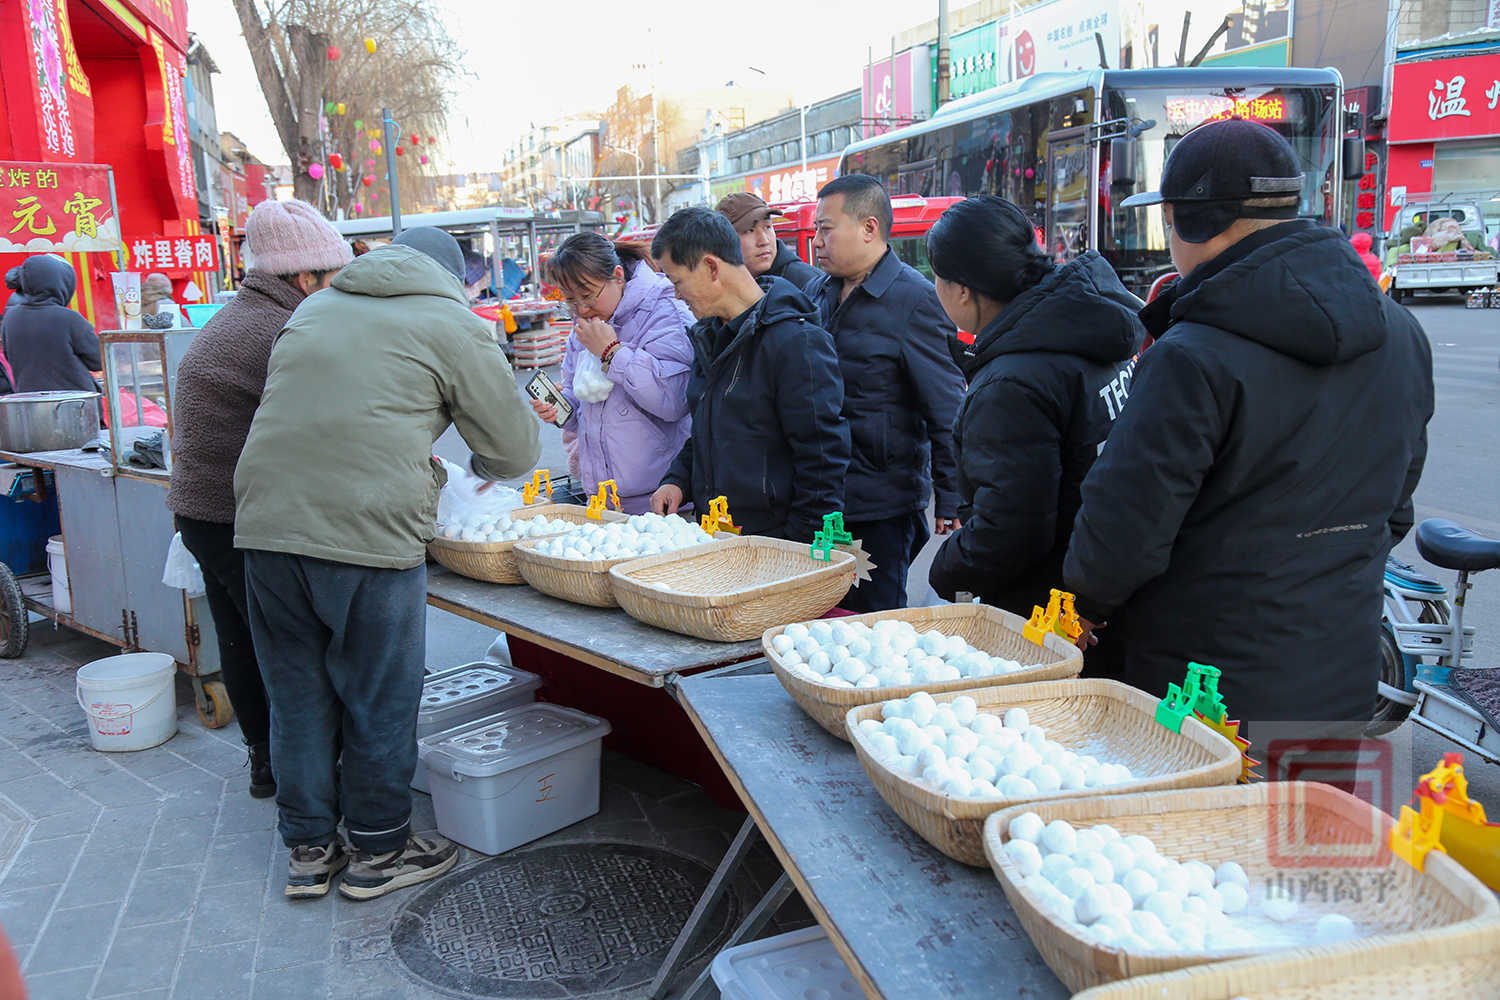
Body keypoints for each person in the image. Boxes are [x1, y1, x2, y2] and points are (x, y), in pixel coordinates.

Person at [1063, 119, 1435, 724]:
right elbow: (1394, 504)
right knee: (1306, 819)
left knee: (1200, 823)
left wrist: (1085, 607)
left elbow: (1121, 532)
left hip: (1203, 687)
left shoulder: (1190, 356)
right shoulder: (1401, 333)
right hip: (1340, 673)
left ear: (1190, 221)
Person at [234, 226, 540, 901]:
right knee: (379, 695)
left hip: (264, 526)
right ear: (456, 278)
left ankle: (310, 849)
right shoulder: (452, 322)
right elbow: (516, 451)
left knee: (296, 694)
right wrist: (478, 466)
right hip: (366, 531)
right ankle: (379, 850)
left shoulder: (313, 307)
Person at [167, 198, 352, 799]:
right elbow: (325, 424)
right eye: (333, 278)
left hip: (201, 511)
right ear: (305, 279)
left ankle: (265, 761)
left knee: (242, 639)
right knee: (287, 651)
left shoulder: (241, 313)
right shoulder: (283, 328)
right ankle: (313, 781)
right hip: (236, 515)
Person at [925, 196, 1142, 626]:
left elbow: (1011, 531)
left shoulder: (1012, 384)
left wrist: (946, 568)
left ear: (963, 290)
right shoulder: (1088, 327)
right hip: (1110, 583)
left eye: (938, 278)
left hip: (1052, 610)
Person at [804, 175, 965, 612]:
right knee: (823, 617)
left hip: (882, 503)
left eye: (825, 228)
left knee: (874, 620)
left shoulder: (914, 300)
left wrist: (951, 494)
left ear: (869, 228)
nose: (816, 240)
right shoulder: (817, 292)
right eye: (816, 229)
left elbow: (946, 405)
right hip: (823, 495)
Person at [649, 207, 850, 543]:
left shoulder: (795, 341)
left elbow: (822, 462)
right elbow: (707, 428)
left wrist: (799, 552)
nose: (677, 295)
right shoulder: (708, 336)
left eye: (678, 281)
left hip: (775, 542)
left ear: (712, 267)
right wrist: (677, 479)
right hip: (719, 534)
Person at [527, 233, 693, 513]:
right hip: (602, 497)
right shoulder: (584, 324)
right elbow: (583, 402)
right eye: (570, 301)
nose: (581, 310)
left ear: (617, 276)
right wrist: (560, 408)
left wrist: (612, 353)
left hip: (662, 497)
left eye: (588, 296)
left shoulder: (664, 311)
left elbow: (674, 401)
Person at [1, 254, 100, 395]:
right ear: (63, 284)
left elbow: (8, 355)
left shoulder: (10, 317)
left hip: (29, 403)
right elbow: (98, 361)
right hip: (74, 404)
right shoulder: (70, 319)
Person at [716, 192, 820, 289]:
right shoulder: (721, 287)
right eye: (749, 230)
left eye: (767, 227)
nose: (764, 241)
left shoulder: (809, 284)